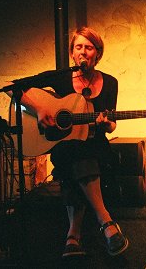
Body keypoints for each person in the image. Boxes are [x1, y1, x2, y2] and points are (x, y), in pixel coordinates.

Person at [14, 26, 128, 258]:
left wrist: (106, 123)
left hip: (96, 147)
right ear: (72, 53)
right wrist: (39, 109)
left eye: (89, 47)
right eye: (79, 47)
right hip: (65, 147)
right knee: (73, 150)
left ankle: (73, 235)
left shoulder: (110, 82)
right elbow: (15, 88)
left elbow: (112, 123)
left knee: (78, 153)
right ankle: (106, 222)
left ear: (97, 53)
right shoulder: (60, 78)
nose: (83, 52)